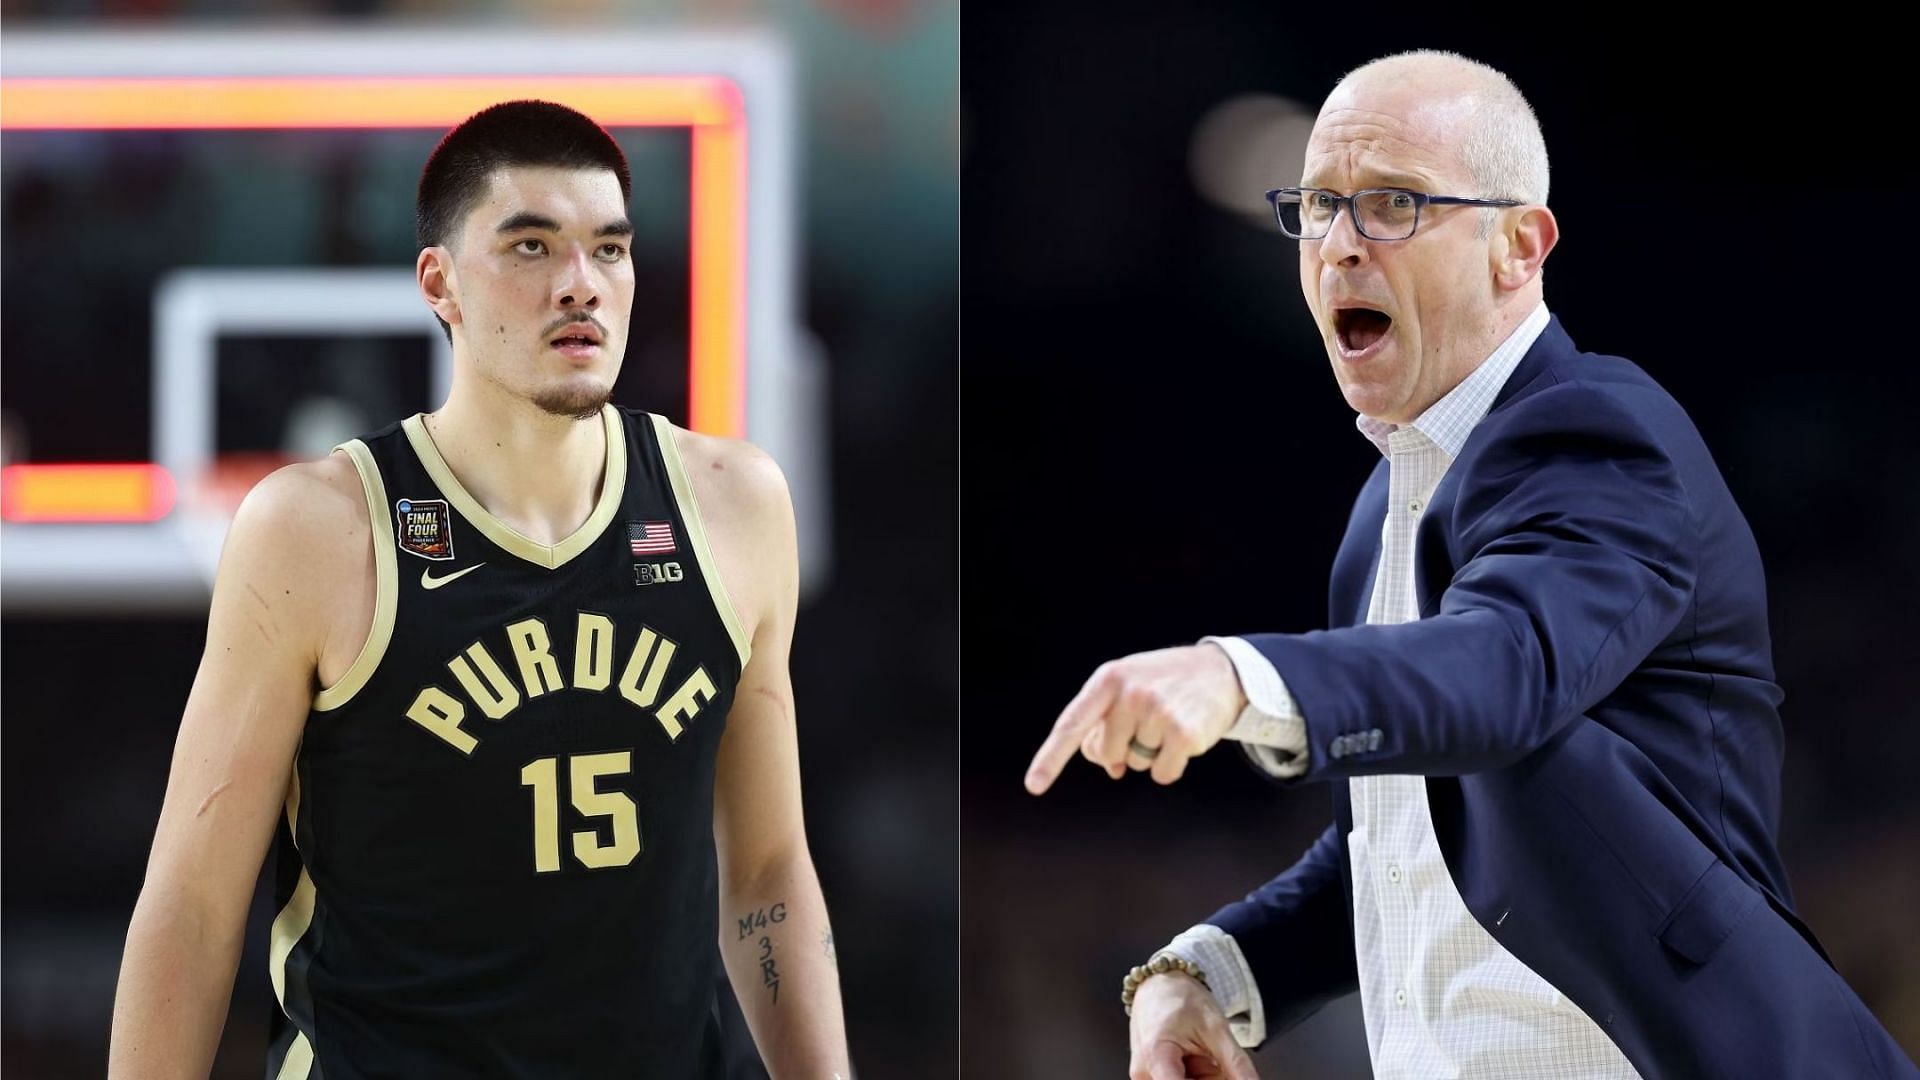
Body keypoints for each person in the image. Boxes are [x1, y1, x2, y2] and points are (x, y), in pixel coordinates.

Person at [1026, 51, 1916, 1080]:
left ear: (1516, 247)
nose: (1341, 247)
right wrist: (1210, 974)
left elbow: (1502, 670)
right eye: (1318, 207)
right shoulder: (1381, 518)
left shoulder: (1601, 435)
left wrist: (1238, 673)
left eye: (1393, 204)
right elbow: (1405, 842)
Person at [109, 100, 850, 1079]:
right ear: (440, 283)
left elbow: (765, 876)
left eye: (609, 250)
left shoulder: (735, 504)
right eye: (532, 247)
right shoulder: (317, 530)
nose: (581, 284)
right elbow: (194, 903)